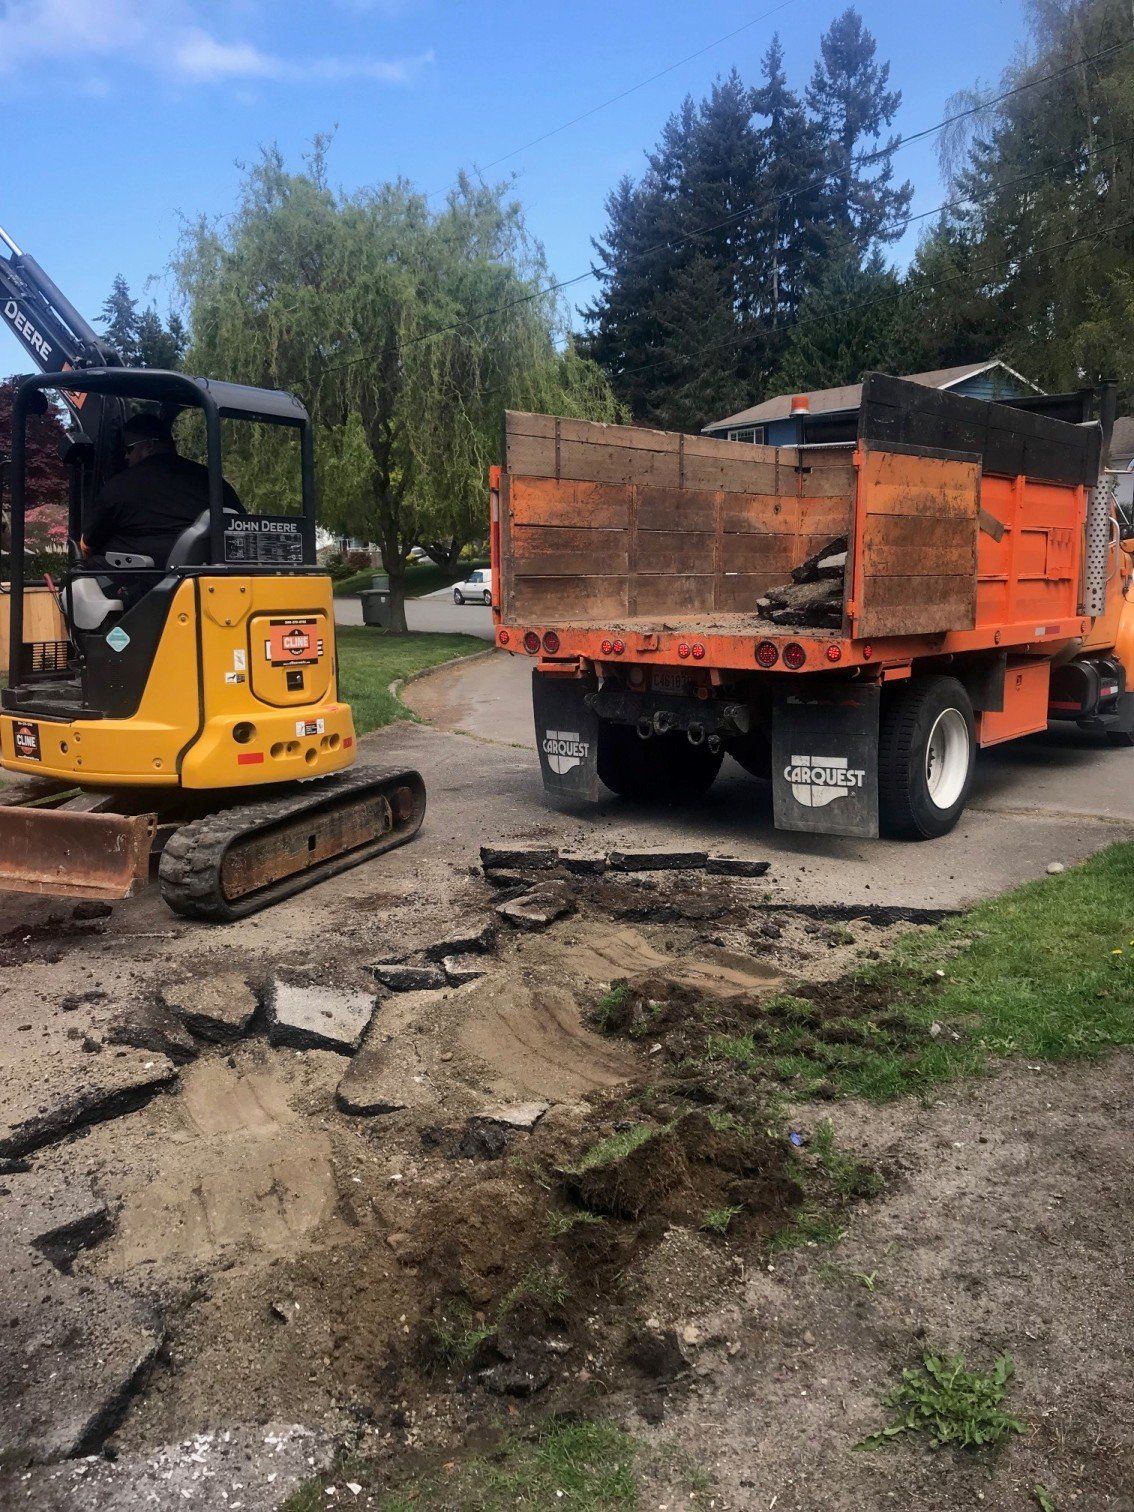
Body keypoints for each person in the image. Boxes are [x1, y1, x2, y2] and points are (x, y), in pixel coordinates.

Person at [81, 412, 244, 569]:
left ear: (149, 446)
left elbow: (87, 545)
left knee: (80, 577)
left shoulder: (121, 485)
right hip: (206, 576)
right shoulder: (213, 482)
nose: (125, 457)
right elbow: (240, 525)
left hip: (137, 582)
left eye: (129, 449)